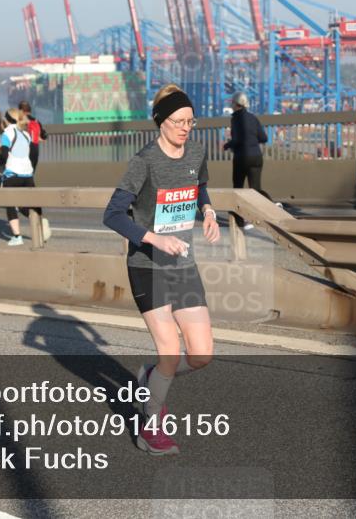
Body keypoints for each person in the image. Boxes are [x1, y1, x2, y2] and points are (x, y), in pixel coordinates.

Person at [102, 83, 220, 456]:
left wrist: (208, 211)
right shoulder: (144, 162)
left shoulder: (198, 152)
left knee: (201, 355)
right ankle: (150, 425)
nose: (186, 128)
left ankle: (150, 377)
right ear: (160, 122)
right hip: (147, 264)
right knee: (170, 349)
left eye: (191, 121)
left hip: (182, 263)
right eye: (179, 121)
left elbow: (199, 187)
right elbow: (113, 215)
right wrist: (153, 238)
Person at [0, 108, 50, 246]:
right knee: (26, 203)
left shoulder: (7, 133)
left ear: (7, 119)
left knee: (10, 204)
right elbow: (32, 153)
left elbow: (3, 154)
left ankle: (17, 237)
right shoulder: (25, 134)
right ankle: (39, 221)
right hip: (27, 174)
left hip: (12, 174)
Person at [223, 92, 271, 229]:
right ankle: (267, 209)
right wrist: (252, 139)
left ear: (236, 104)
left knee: (238, 189)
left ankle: (239, 221)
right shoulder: (253, 118)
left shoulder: (236, 119)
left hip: (242, 158)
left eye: (232, 103)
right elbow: (264, 138)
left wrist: (227, 145)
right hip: (256, 157)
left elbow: (238, 139)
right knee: (255, 190)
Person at [18, 100, 47, 171]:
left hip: (22, 151)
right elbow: (44, 136)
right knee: (30, 174)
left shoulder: (18, 122)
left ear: (21, 111)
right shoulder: (36, 121)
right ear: (30, 110)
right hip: (34, 150)